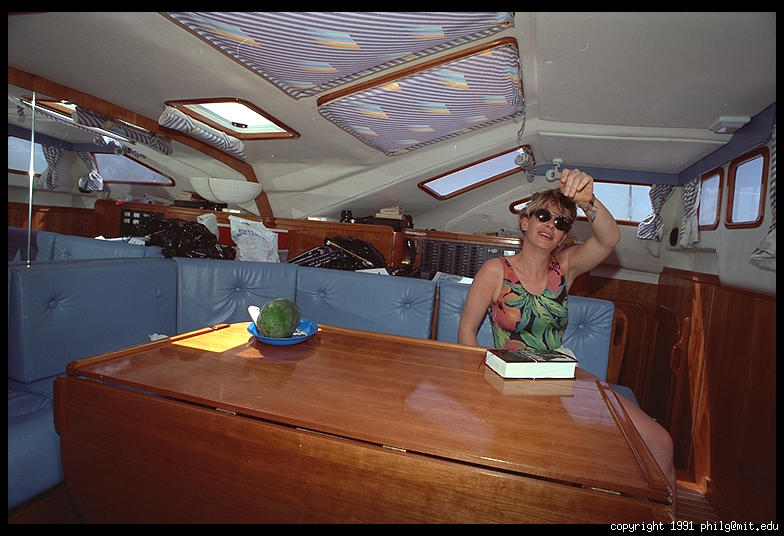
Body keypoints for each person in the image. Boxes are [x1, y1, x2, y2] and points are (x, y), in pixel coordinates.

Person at [458, 168, 677, 507]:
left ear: (563, 238)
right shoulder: (495, 271)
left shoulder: (566, 267)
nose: (551, 225)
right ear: (525, 222)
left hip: (563, 375)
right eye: (543, 216)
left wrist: (588, 201)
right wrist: (476, 388)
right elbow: (467, 331)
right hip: (510, 380)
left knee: (660, 442)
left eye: (561, 223)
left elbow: (609, 240)